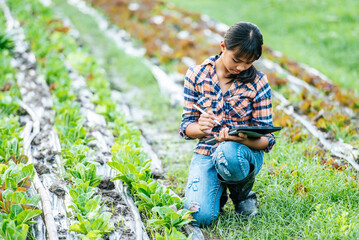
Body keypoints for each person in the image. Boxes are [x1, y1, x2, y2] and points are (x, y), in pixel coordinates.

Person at [179, 22, 276, 227]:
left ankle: (242, 197)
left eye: (248, 63)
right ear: (223, 46)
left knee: (228, 153)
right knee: (199, 217)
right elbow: (186, 127)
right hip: (207, 151)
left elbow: (267, 139)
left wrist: (239, 138)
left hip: (241, 152)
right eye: (236, 60)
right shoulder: (196, 75)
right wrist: (201, 127)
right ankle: (218, 193)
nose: (240, 67)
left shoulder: (258, 82)